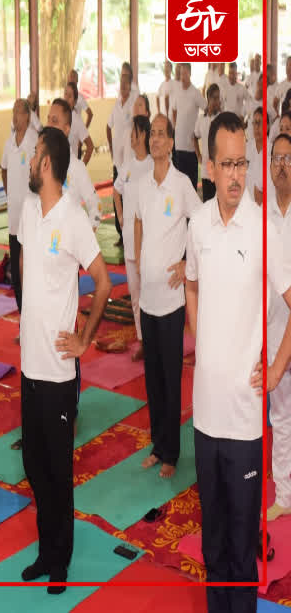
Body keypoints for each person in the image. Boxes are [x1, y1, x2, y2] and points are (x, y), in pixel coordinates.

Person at [189, 113, 291, 612]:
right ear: (209, 167)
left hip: (245, 423)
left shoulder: (265, 228)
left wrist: (273, 370)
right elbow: (189, 281)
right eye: (226, 164)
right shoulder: (199, 225)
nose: (235, 175)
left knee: (240, 552)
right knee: (212, 551)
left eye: (242, 164)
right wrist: (198, 330)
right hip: (205, 419)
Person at [18, 126, 112, 594]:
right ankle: (44, 546)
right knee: (34, 464)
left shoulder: (72, 216)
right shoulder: (28, 210)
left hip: (57, 371)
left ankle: (61, 556)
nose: (29, 161)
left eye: (34, 154)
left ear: (48, 163)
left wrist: (85, 340)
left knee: (58, 468)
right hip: (28, 368)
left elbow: (102, 281)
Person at [133, 113, 199, 481]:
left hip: (173, 302)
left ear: (172, 143)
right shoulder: (143, 185)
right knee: (153, 378)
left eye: (161, 135)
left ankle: (172, 451)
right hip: (148, 300)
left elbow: (201, 222)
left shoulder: (182, 184)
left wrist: (186, 262)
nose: (156, 140)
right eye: (152, 134)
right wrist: (142, 260)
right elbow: (139, 222)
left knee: (171, 380)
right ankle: (158, 446)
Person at [114, 115, 154, 361]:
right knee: (136, 294)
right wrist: (120, 217)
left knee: (151, 294)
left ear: (143, 136)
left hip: (149, 244)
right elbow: (116, 192)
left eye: (135, 133)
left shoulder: (153, 165)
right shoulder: (126, 167)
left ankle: (154, 340)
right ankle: (142, 341)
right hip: (129, 241)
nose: (131, 136)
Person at [267, 134, 291, 522]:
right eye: (277, 158)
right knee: (281, 417)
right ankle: (285, 494)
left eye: (289, 157)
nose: (282, 164)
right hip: (275, 332)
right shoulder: (262, 217)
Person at [1, 98, 38, 313]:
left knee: (30, 267)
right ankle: (23, 313)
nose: (15, 117)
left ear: (27, 116)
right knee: (16, 268)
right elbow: (4, 168)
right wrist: (9, 193)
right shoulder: (9, 142)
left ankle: (32, 314)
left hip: (31, 214)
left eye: (19, 112)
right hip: (14, 215)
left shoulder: (34, 140)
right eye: (13, 112)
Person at [46, 98, 101, 230]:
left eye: (54, 121)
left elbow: (96, 207)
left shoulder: (76, 167)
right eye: (48, 119)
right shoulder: (42, 164)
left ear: (66, 129)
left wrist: (84, 240)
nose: (48, 125)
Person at [107, 64, 139, 244]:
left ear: (130, 84)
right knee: (116, 195)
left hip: (130, 160)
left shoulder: (135, 101)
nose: (123, 86)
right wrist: (111, 148)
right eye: (121, 83)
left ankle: (132, 233)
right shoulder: (117, 103)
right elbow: (108, 126)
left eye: (126, 83)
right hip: (117, 160)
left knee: (129, 197)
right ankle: (121, 233)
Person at [171, 62, 207, 189]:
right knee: (179, 183)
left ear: (190, 74)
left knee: (191, 184)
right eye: (181, 74)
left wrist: (199, 129)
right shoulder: (177, 92)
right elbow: (174, 110)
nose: (183, 77)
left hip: (191, 147)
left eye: (185, 73)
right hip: (179, 145)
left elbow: (206, 109)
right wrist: (176, 127)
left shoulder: (195, 92)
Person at [194, 84, 223, 201]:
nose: (217, 101)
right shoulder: (201, 119)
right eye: (214, 98)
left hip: (220, 171)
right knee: (207, 203)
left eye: (218, 98)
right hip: (206, 172)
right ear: (208, 99)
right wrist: (198, 156)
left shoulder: (222, 119)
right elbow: (194, 137)